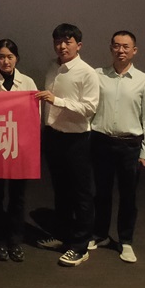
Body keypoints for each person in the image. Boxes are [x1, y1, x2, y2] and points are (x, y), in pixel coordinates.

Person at [89, 30, 145, 264]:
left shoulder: (144, 80)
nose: (121, 50)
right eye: (116, 46)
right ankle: (100, 234)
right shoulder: (97, 75)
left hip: (130, 146)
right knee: (101, 192)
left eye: (126, 46)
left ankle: (125, 241)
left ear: (134, 51)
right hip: (101, 141)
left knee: (128, 196)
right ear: (111, 48)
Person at [36, 23, 100, 267]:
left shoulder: (87, 72)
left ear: (78, 45)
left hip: (76, 140)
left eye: (67, 41)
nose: (62, 46)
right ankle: (63, 235)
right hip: (54, 136)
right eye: (58, 41)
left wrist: (58, 101)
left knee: (81, 193)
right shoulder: (53, 66)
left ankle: (80, 246)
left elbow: (90, 108)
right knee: (60, 190)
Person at [0, 39, 38, 263]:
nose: (5, 61)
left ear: (16, 59)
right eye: (1, 57)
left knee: (18, 196)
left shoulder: (28, 82)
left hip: (20, 147)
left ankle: (15, 239)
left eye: (10, 57)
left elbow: (34, 116)